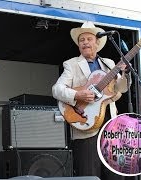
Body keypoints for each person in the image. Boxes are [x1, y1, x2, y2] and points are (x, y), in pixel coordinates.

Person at [52, 21, 129, 179]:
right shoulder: (72, 64)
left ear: (97, 42)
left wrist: (126, 73)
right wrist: (77, 95)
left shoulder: (109, 63)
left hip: (110, 126)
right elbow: (56, 89)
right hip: (86, 126)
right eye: (82, 40)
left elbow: (120, 89)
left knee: (115, 174)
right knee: (89, 174)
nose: (85, 42)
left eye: (89, 39)